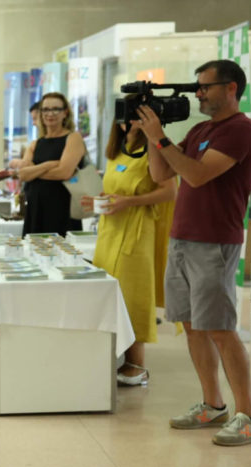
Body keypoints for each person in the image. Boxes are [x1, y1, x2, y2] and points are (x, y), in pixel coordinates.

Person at [137, 59, 251, 446]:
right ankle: (213, 403)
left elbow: (197, 174)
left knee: (220, 328)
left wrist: (160, 139)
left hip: (215, 241)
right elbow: (161, 174)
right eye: (198, 86)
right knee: (191, 325)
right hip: (182, 237)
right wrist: (150, 134)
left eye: (206, 86)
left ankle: (248, 415)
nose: (198, 93)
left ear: (232, 89)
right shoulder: (199, 129)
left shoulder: (243, 130)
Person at [82, 121, 175, 386]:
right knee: (109, 292)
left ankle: (138, 363)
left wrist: (128, 202)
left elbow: (169, 191)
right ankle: (117, 355)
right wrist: (102, 200)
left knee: (133, 296)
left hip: (137, 231)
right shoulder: (117, 151)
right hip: (110, 231)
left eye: (138, 116)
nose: (131, 122)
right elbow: (116, 190)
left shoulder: (154, 150)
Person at [13, 92, 86, 236]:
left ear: (65, 113)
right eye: (45, 109)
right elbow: (22, 174)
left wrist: (34, 170)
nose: (50, 113)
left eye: (55, 109)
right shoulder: (36, 143)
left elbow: (64, 173)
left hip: (62, 208)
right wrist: (49, 165)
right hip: (36, 209)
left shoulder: (73, 138)